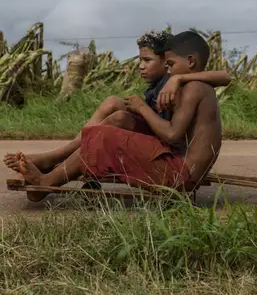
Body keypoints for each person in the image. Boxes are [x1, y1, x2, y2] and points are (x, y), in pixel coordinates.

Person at [16, 30, 223, 202]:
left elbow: (172, 135)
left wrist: (142, 108)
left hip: (181, 176)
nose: (169, 71)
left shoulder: (194, 88)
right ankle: (55, 172)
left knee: (105, 136)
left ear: (190, 61)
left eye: (170, 64)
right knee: (110, 127)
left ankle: (47, 182)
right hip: (180, 168)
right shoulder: (194, 85)